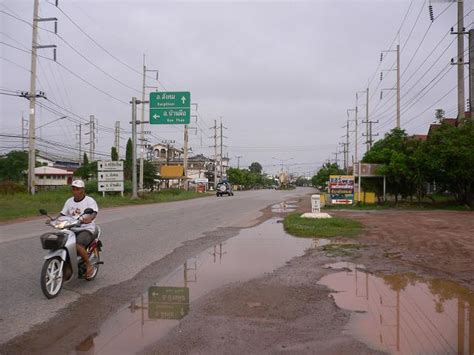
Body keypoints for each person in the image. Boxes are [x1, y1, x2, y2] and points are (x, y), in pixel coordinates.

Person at [59, 179, 99, 279]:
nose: (75, 191)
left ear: (83, 190)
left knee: (77, 244)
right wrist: (55, 220)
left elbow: (94, 212)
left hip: (86, 229)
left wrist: (89, 218)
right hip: (71, 228)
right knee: (60, 242)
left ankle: (89, 264)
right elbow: (63, 214)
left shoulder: (89, 201)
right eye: (73, 189)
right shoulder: (69, 201)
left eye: (78, 189)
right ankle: (67, 264)